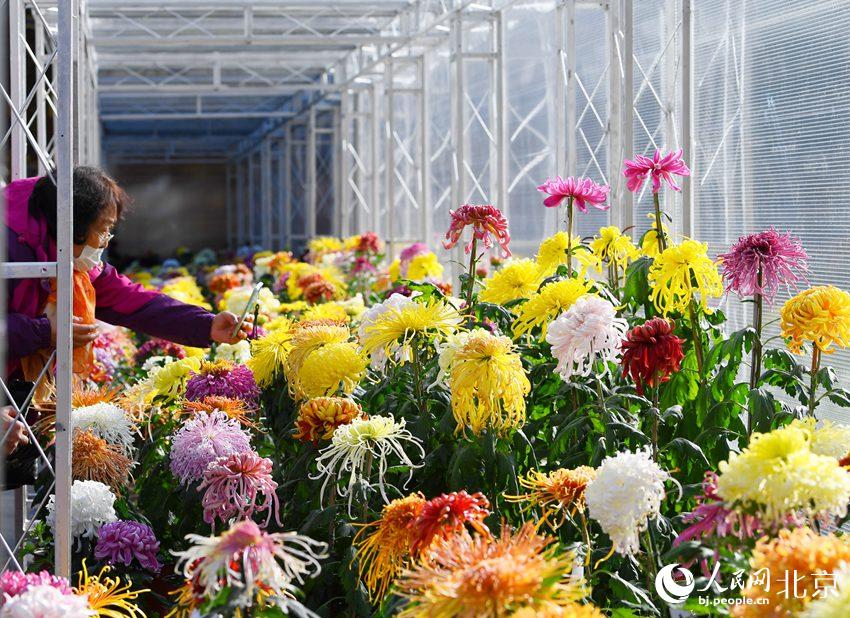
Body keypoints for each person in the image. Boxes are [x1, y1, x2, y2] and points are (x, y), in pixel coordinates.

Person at [3, 167, 251, 484]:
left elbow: (129, 300)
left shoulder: (66, 257)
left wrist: (206, 325)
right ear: (72, 226)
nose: (106, 241)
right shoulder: (9, 244)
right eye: (103, 229)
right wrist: (44, 332)